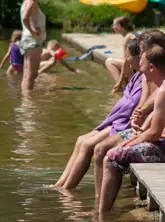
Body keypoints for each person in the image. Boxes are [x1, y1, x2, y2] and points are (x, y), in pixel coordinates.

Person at [96, 42, 165, 215]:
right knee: (110, 149)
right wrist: (131, 139)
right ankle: (102, 205)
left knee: (111, 157)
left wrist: (129, 143)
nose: (139, 68)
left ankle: (101, 215)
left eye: (141, 64)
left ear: (152, 67)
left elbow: (155, 133)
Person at [55, 35, 145, 190]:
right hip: (118, 120)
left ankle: (68, 188)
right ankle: (60, 185)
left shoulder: (145, 78)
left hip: (124, 123)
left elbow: (133, 106)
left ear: (139, 57)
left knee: (88, 145)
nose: (127, 60)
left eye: (129, 56)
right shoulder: (136, 75)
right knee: (81, 140)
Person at [20, 0, 48, 89]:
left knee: (27, 75)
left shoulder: (26, 2)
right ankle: (29, 103)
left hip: (28, 41)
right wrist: (33, 30)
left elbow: (27, 19)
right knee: (31, 75)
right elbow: (25, 18)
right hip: (33, 42)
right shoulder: (31, 2)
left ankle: (25, 102)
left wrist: (31, 29)